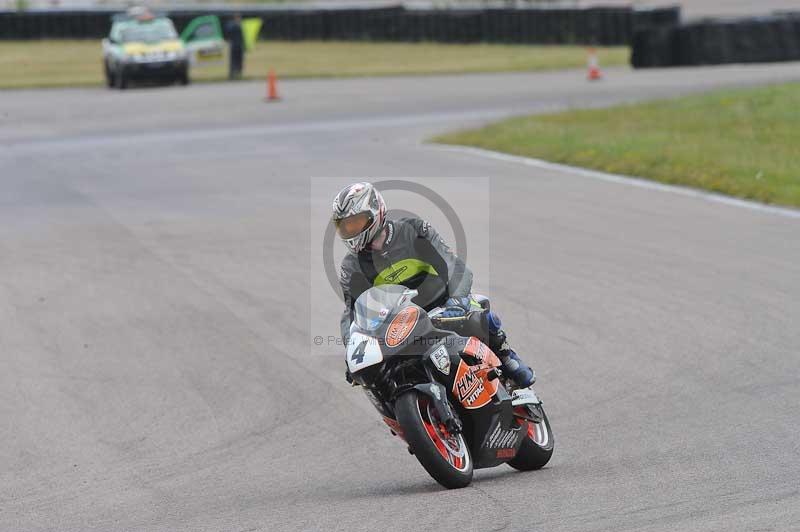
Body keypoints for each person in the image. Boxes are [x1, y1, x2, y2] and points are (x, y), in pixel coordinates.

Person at [332, 182, 535, 388]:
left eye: (356, 222)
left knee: (478, 316)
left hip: (443, 308)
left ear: (376, 212)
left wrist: (457, 300)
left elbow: (456, 268)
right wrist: (352, 351)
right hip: (399, 329)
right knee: (376, 377)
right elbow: (352, 313)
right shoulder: (352, 266)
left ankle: (507, 358)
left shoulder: (414, 230)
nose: (351, 230)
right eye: (345, 226)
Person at [226, 14, 244, 80]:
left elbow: (242, 37)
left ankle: (238, 74)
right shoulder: (232, 25)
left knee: (239, 61)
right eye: (238, 18)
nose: (239, 20)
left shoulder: (240, 26)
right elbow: (228, 32)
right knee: (233, 61)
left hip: (239, 45)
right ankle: (231, 75)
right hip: (234, 45)